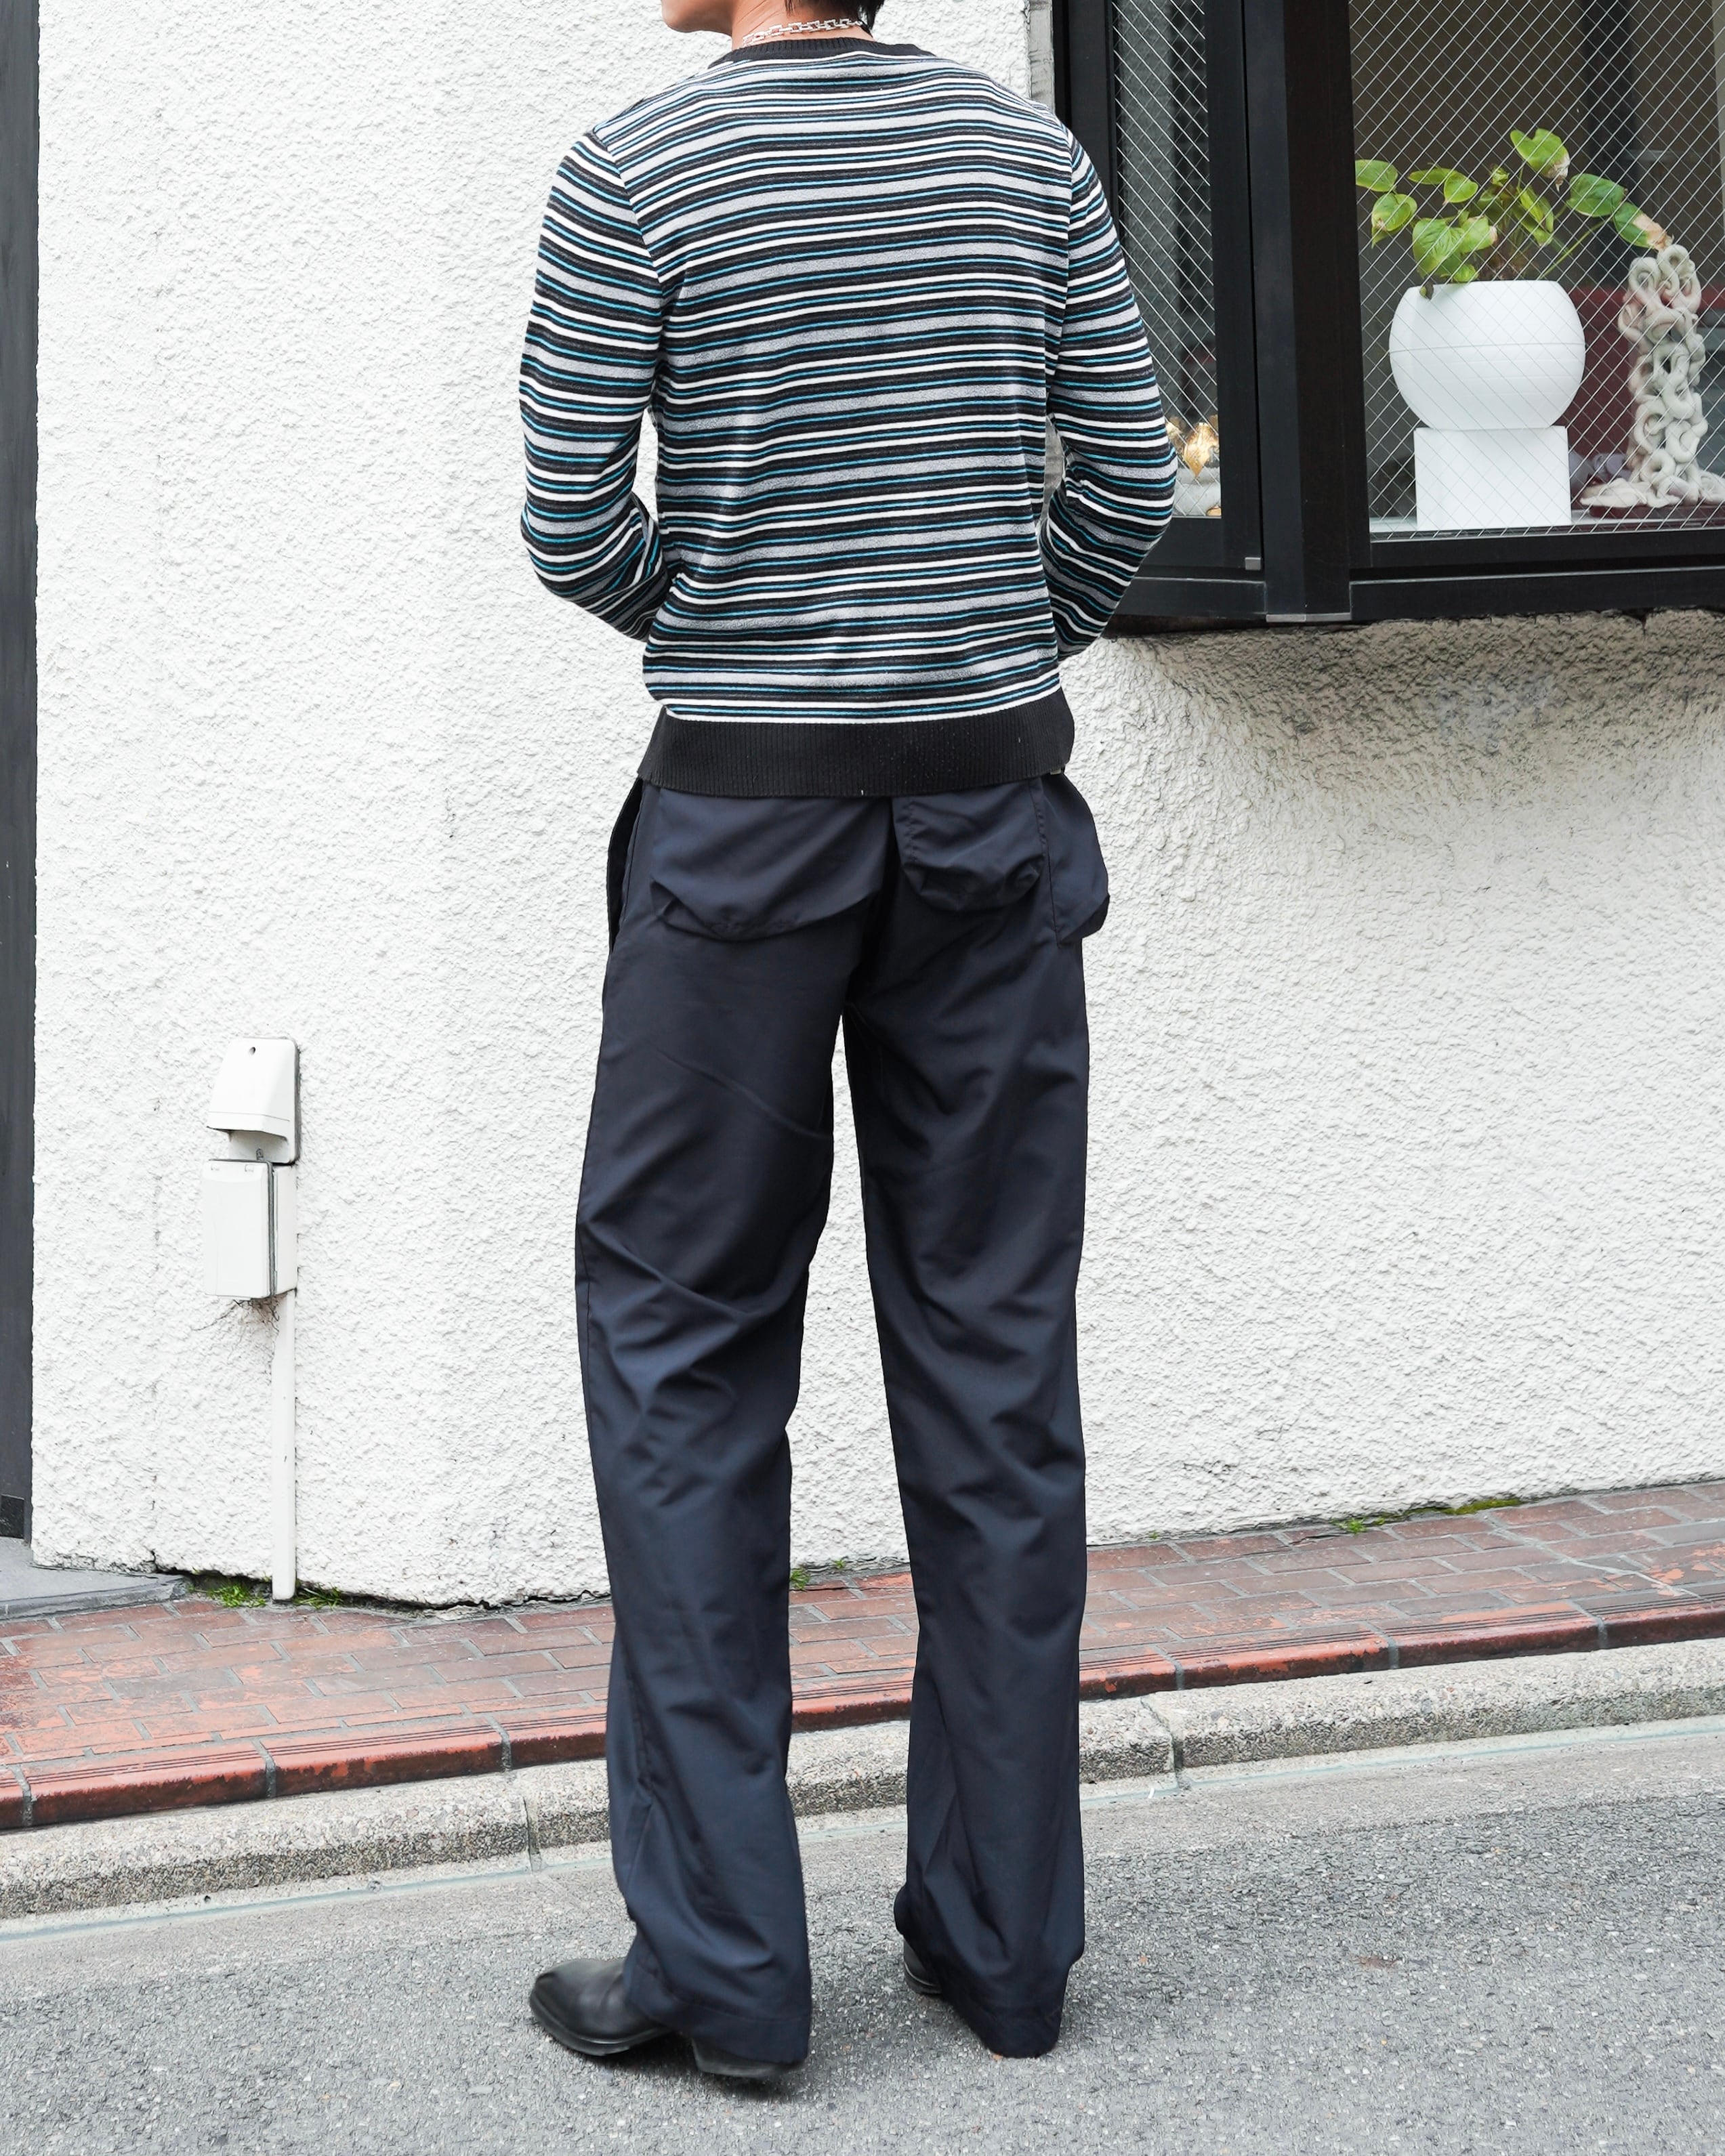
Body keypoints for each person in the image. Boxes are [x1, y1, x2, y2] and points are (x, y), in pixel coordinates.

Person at [520, 0, 1173, 2085]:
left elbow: (572, 525)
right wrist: (979, 640)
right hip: (989, 809)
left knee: (679, 1349)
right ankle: (1003, 1949)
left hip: (743, 823)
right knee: (992, 1356)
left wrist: (733, 629)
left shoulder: (635, 170)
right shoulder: (1027, 162)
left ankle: (724, 1968)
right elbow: (1128, 487)